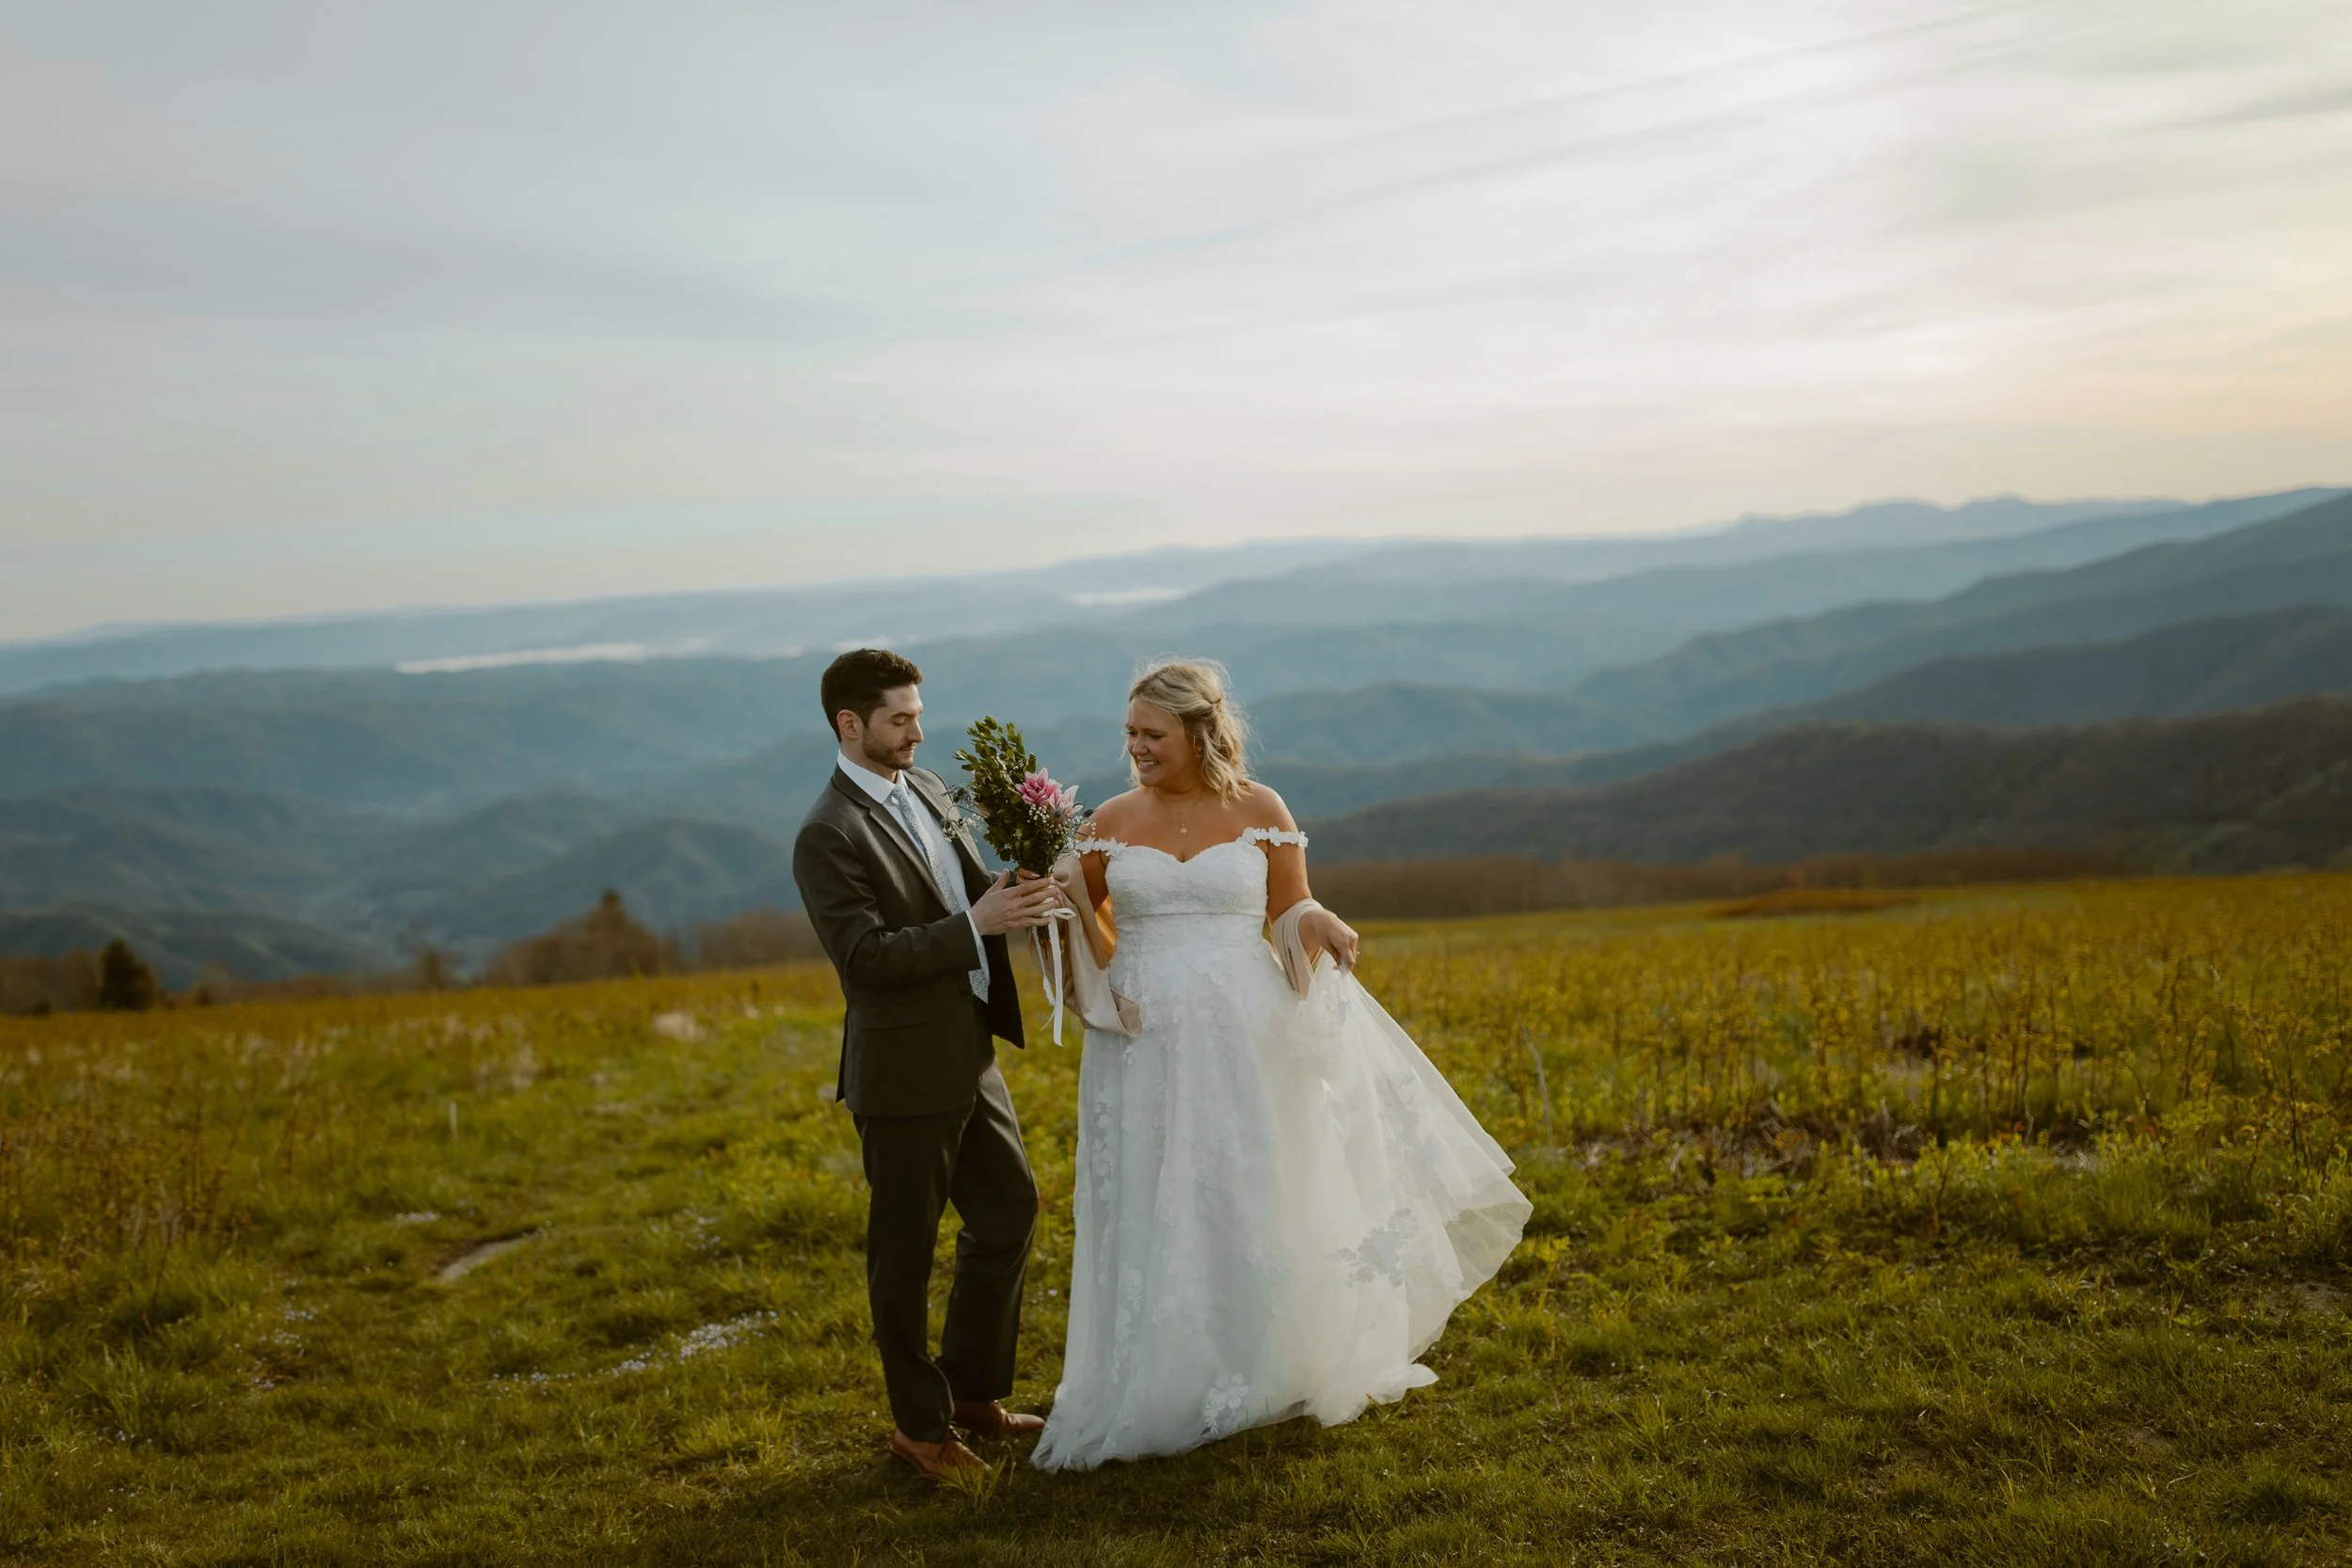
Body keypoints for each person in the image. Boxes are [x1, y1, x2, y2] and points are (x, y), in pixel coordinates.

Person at [1033, 658, 1530, 1471]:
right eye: (1129, 733)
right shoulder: (1108, 821)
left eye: (1152, 734)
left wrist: (1319, 919)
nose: (1136, 748)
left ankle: (1275, 1354)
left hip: (1246, 1027)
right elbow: (1091, 930)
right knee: (1161, 1187)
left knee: (1256, 1178)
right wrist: (1052, 905)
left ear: (1198, 733)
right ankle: (1162, 1370)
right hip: (1146, 1038)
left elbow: (1287, 905)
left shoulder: (1261, 808)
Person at [790, 648, 1065, 1481]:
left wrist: (1014, 884)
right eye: (900, 718)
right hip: (904, 1074)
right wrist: (974, 923)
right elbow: (865, 959)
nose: (918, 729)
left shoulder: (931, 788)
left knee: (1010, 1209)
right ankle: (920, 1427)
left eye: (918, 712)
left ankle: (974, 1390)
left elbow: (965, 886)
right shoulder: (825, 834)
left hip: (969, 1050)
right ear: (851, 724)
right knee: (903, 1255)